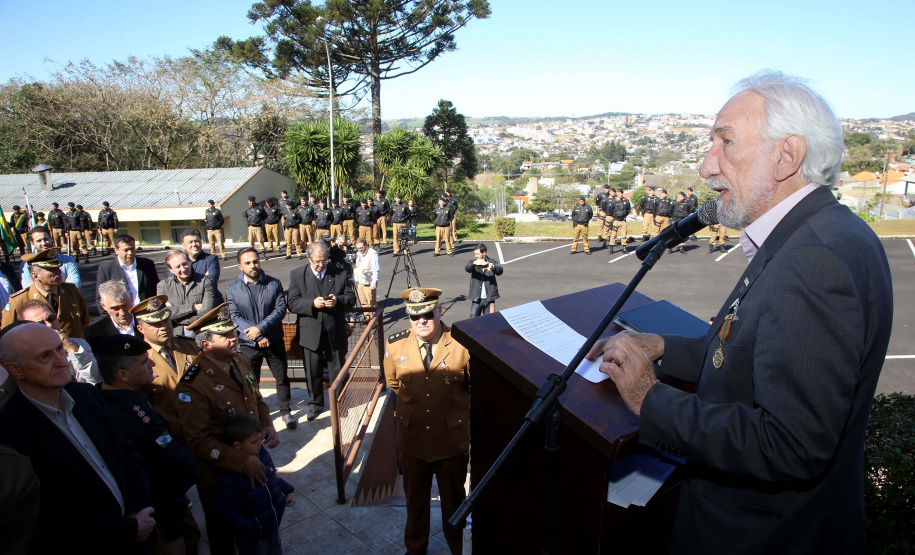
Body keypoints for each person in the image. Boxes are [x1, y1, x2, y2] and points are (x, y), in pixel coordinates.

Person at [585, 72, 893, 554]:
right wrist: (661, 347)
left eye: (725, 143)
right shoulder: (820, 232)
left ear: (786, 156)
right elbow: (748, 353)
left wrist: (650, 399)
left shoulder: (814, 259)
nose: (707, 166)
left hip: (765, 537)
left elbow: (789, 444)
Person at [0, 323, 155, 555]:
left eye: (59, 349)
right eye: (45, 357)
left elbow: (128, 452)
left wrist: (142, 509)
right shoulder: (11, 430)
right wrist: (125, 528)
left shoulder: (85, 395)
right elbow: (51, 512)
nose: (62, 361)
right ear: (16, 370)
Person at [175, 303, 279, 555]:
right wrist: (241, 461)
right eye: (226, 335)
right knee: (225, 534)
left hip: (252, 465)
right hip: (221, 474)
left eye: (234, 332)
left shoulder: (239, 361)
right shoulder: (192, 385)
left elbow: (256, 398)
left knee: (256, 526)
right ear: (206, 345)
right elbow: (198, 441)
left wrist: (266, 423)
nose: (235, 338)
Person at [95, 334, 201, 555]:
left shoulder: (102, 397)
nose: (152, 363)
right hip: (159, 506)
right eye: (144, 362)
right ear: (122, 375)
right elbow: (169, 456)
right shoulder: (132, 410)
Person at [383, 287, 470, 555]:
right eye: (414, 316)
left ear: (439, 311)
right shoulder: (395, 344)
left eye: (428, 314)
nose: (421, 321)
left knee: (454, 504)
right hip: (413, 441)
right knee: (416, 504)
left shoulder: (462, 345)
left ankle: (458, 549)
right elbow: (394, 383)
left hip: (450, 443)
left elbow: (472, 387)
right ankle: (416, 549)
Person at [227, 247, 296, 429]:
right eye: (248, 263)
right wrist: (256, 336)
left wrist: (260, 329)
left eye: (255, 261)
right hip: (248, 343)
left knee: (281, 377)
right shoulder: (232, 289)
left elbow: (280, 310)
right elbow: (234, 316)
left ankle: (285, 411)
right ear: (240, 266)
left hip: (273, 339)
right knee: (251, 381)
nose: (253, 266)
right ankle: (255, 414)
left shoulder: (274, 284)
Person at [287, 241, 355, 421]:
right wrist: (312, 304)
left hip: (335, 332)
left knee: (337, 371)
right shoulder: (297, 275)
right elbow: (292, 302)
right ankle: (315, 405)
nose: (320, 265)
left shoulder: (340, 273)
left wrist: (337, 301)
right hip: (310, 334)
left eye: (324, 261)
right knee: (312, 371)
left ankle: (340, 403)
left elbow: (350, 298)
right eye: (317, 261)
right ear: (309, 258)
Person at [216, 414, 295, 555]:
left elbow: (271, 476)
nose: (260, 444)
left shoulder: (262, 456)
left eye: (260, 439)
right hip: (253, 537)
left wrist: (288, 490)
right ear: (237, 446)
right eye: (254, 442)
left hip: (272, 526)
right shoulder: (231, 474)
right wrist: (253, 527)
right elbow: (227, 510)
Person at [130, 295, 200, 437]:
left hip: (203, 428)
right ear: (140, 329)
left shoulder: (190, 347)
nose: (163, 327)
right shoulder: (138, 360)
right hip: (170, 434)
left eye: (165, 320)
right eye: (155, 324)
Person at [1, 249, 89, 338]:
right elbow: (7, 335)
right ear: (35, 275)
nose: (59, 272)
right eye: (52, 269)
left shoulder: (71, 291)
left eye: (58, 267)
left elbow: (84, 322)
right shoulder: (19, 301)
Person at [18, 299, 99, 384]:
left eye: (51, 318)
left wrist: (73, 350)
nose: (49, 325)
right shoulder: (29, 357)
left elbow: (96, 380)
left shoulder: (79, 344)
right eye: (40, 323)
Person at [157, 249, 216, 337]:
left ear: (189, 261)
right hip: (175, 335)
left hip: (200, 334)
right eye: (178, 267)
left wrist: (176, 318)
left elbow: (207, 312)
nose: (183, 269)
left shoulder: (205, 282)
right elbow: (163, 314)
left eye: (185, 263)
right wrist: (193, 307)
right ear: (170, 269)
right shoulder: (163, 286)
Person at [96, 233, 160, 307]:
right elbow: (100, 298)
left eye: (132, 249)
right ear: (116, 250)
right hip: (122, 315)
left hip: (146, 313)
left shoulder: (147, 264)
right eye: (126, 250)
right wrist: (112, 317)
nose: (130, 253)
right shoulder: (106, 268)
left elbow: (156, 290)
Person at [85, 280, 142, 348]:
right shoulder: (94, 334)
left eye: (125, 305)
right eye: (115, 308)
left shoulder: (149, 324)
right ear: (103, 306)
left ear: (132, 298)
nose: (122, 313)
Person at [465, 244, 502, 318]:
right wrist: (473, 263)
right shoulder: (473, 262)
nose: (476, 256)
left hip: (489, 299)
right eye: (475, 254)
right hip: (476, 298)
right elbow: (467, 268)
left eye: (477, 254)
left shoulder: (492, 261)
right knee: (473, 320)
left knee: (489, 321)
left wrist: (493, 267)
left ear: (484, 252)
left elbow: (500, 270)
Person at [353, 237, 379, 310]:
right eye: (358, 248)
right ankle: (367, 318)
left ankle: (375, 319)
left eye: (361, 247)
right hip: (361, 282)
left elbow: (375, 269)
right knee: (363, 303)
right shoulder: (358, 253)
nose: (360, 250)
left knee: (372, 303)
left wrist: (374, 282)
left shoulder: (372, 254)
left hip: (369, 283)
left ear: (366, 245)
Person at [608, 188, 631, 254]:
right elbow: (610, 210)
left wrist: (624, 215)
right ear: (617, 193)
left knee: (623, 234)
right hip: (615, 220)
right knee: (613, 234)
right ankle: (611, 249)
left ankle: (624, 248)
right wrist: (615, 216)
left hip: (623, 220)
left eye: (621, 193)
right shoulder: (613, 201)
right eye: (619, 193)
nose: (620, 194)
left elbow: (628, 210)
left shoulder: (626, 201)